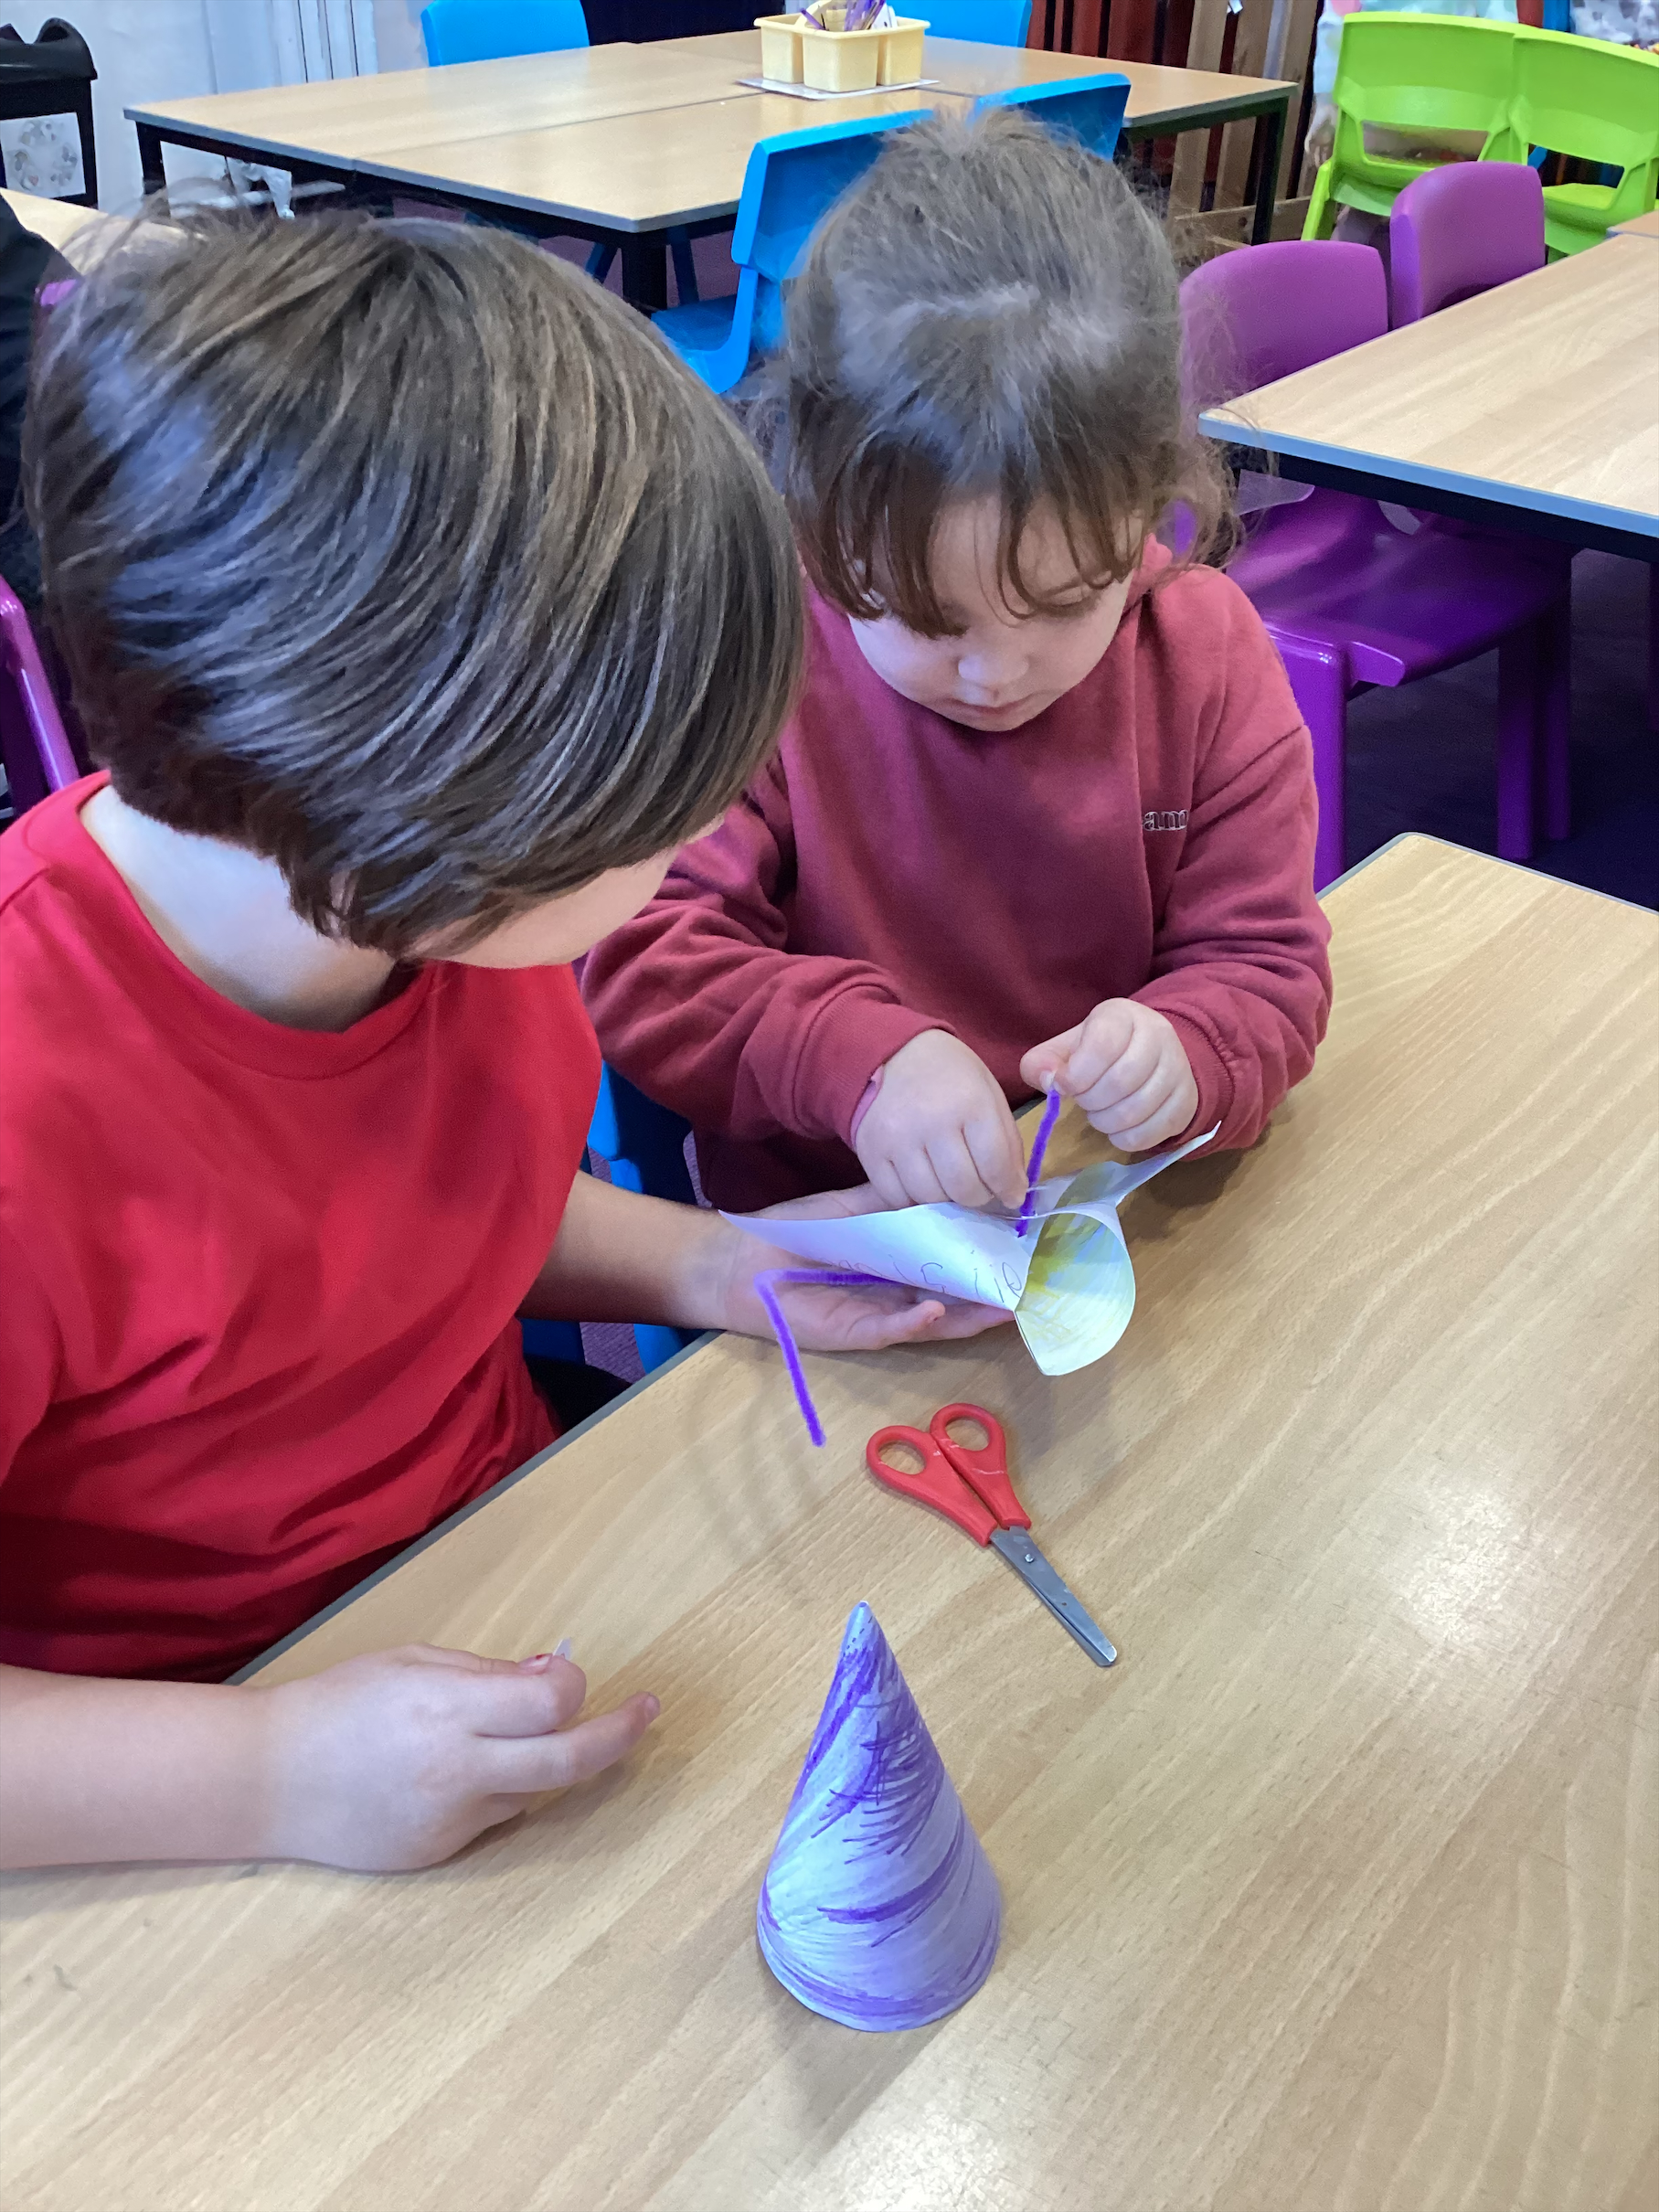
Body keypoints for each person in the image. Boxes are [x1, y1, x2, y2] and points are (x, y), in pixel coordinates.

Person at [0, 213, 1007, 1877]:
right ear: (432, 824)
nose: (691, 847)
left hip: (492, 1581)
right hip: (185, 1792)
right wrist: (269, 1772)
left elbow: (427, 1213)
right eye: (654, 818)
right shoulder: (35, 1098)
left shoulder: (421, 916)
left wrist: (724, 1264)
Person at [582, 111, 1334, 1218]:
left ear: (1145, 506)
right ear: (823, 518)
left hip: (1102, 1205)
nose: (995, 673)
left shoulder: (1203, 653)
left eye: (1065, 605)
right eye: (930, 620)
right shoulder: (755, 654)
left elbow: (1269, 971)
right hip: (841, 1226)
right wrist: (863, 1061)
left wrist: (1188, 1047)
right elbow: (648, 961)